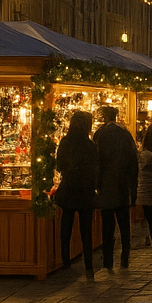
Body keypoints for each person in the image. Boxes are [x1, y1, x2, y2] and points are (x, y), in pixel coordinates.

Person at [53, 111, 100, 281]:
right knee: (85, 230)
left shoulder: (66, 142)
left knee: (66, 225)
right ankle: (88, 265)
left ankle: (65, 260)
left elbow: (60, 165)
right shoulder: (89, 145)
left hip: (69, 188)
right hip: (85, 191)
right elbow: (95, 168)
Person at [94, 106, 139, 272]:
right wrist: (132, 187)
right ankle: (125, 257)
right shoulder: (125, 134)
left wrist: (97, 185)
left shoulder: (100, 134)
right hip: (122, 186)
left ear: (105, 116)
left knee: (107, 226)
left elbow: (96, 162)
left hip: (106, 186)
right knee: (124, 224)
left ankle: (108, 260)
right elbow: (134, 162)